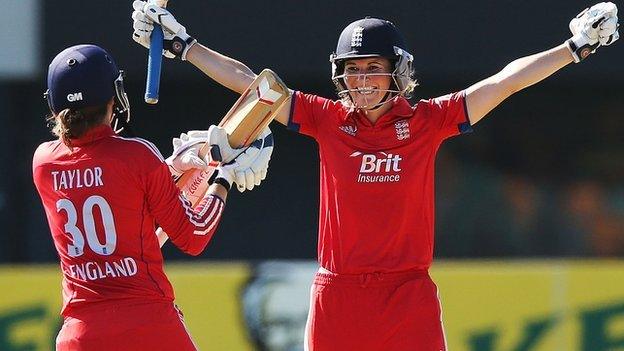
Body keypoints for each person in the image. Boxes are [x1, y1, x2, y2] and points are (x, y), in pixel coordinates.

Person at [131, 2, 619, 350]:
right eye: (353, 70)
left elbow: (504, 82)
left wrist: (572, 48)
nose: (362, 81)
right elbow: (252, 84)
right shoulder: (327, 119)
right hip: (337, 294)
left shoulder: (428, 120)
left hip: (408, 296)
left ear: (397, 71)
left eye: (373, 69)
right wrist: (185, 46)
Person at [32, 44, 272, 350]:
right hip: (149, 325)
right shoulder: (139, 155)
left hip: (80, 335)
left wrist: (170, 167)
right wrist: (223, 176)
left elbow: (109, 184)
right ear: (114, 96)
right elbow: (193, 234)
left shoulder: (43, 163)